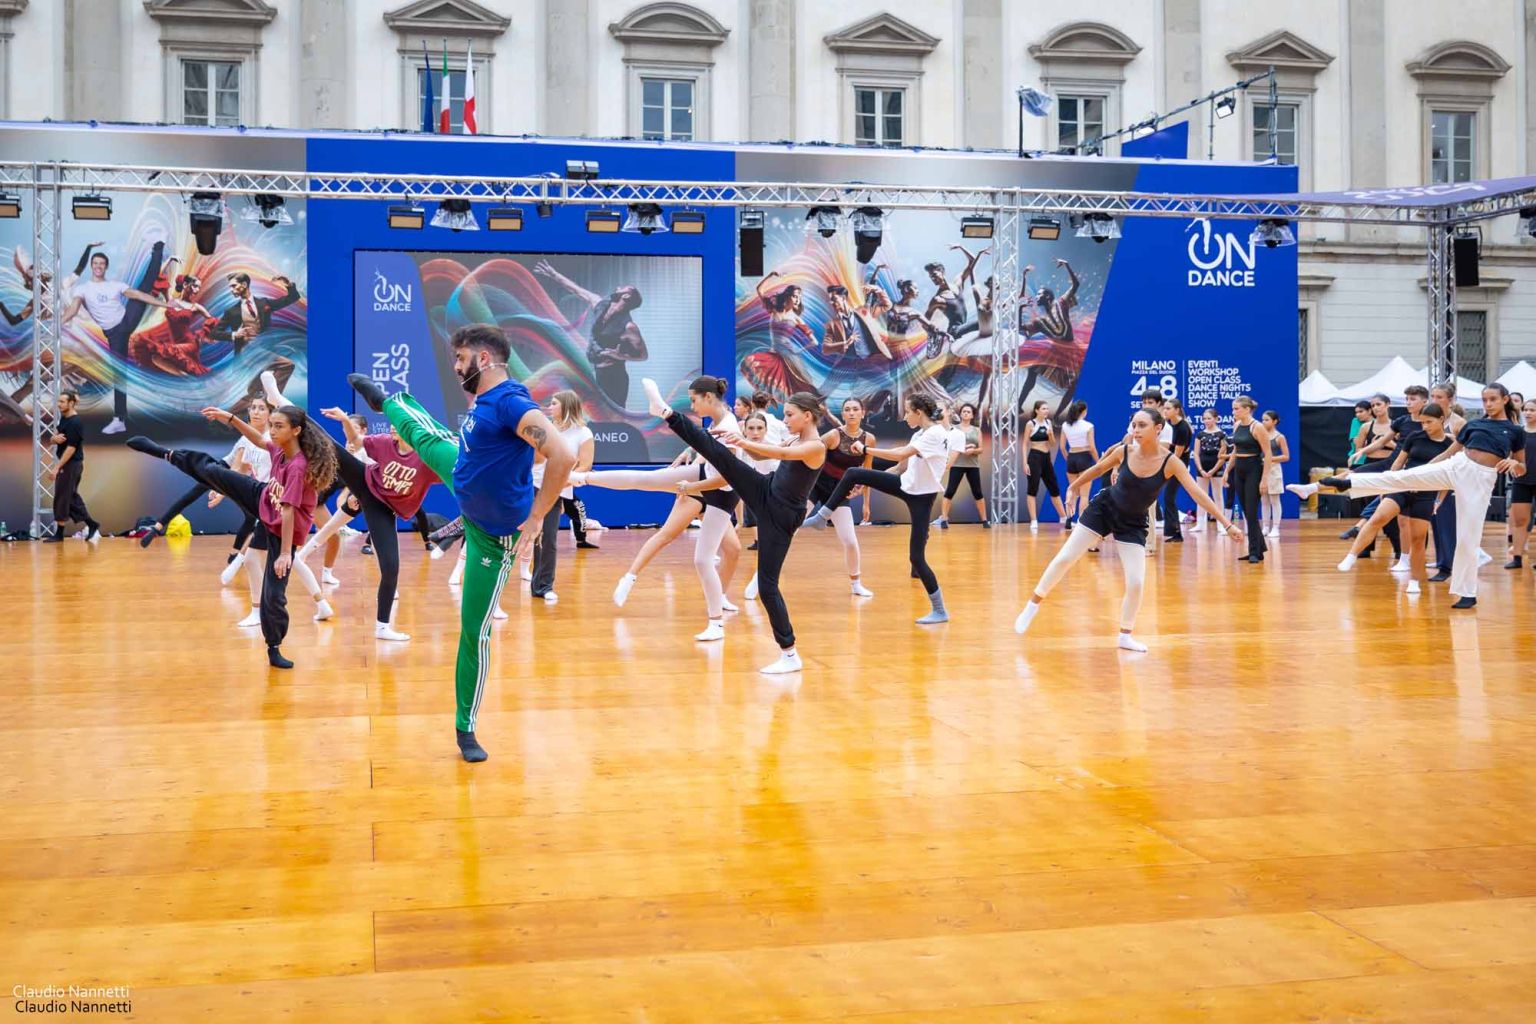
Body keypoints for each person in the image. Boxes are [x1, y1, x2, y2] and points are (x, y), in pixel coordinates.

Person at [350, 324, 573, 761]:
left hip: (493, 535)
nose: (455, 366)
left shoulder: (510, 401)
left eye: (460, 357)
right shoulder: (485, 400)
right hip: (461, 476)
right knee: (424, 435)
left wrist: (536, 518)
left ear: (483, 359)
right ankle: (386, 401)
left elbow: (562, 455)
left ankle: (465, 727)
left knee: (475, 632)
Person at [126, 404, 336, 669]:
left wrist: (285, 553)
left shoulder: (298, 467)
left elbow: (288, 511)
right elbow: (258, 439)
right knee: (216, 472)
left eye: (278, 426)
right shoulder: (280, 450)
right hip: (262, 498)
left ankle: (274, 648)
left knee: (274, 596)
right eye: (271, 425)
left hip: (282, 531)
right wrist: (230, 418)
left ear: (296, 431)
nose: (272, 431)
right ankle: (167, 454)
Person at [1016, 409, 1243, 651]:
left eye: (1142, 425)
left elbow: (1198, 494)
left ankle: (1125, 635)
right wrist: (1073, 487)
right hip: (1104, 510)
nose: (1136, 430)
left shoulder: (1170, 462)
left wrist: (1227, 524)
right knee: (1065, 558)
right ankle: (1033, 605)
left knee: (1135, 582)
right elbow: (1098, 469)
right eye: (1134, 425)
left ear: (1158, 428)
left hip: (1133, 522)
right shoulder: (1124, 451)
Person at [643, 378, 825, 675]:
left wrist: (743, 441)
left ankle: (790, 654)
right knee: (721, 457)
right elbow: (763, 454)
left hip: (781, 515)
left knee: (767, 587)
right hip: (767, 490)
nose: (785, 420)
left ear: (807, 416)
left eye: (790, 415)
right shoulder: (794, 439)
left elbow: (781, 455)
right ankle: (666, 412)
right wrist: (735, 441)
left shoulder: (815, 446)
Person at [1292, 384, 1527, 609]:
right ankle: (1336, 484)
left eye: (1493, 399)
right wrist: (1424, 471)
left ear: (1505, 400)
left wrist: (1515, 464)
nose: (1488, 404)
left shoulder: (1515, 431)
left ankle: (1467, 593)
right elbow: (1449, 452)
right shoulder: (1474, 425)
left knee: (1468, 537)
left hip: (1480, 479)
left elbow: (1522, 467)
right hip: (1457, 465)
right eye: (1485, 400)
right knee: (1400, 478)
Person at [811, 394, 952, 625]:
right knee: (854, 474)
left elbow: (900, 454)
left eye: (907, 412)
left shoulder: (935, 433)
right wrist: (866, 482)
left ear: (918, 413)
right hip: (906, 486)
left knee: (916, 558)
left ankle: (940, 610)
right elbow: (900, 467)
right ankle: (822, 516)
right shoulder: (920, 434)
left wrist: (866, 449)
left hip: (922, 497)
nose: (905, 417)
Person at [1328, 403, 1454, 594]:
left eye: (1429, 422)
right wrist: (1386, 485)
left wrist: (1439, 500)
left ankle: (1414, 581)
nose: (1425, 426)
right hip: (1401, 486)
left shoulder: (1449, 446)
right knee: (1377, 518)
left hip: (1426, 494)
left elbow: (1447, 477)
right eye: (1422, 422)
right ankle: (1351, 555)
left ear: (1441, 420)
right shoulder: (1415, 437)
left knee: (1418, 539)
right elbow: (1398, 463)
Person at [139, 396, 269, 569]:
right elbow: (238, 468)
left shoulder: (270, 439)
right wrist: (222, 490)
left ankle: (234, 556)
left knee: (251, 517)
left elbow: (244, 469)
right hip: (222, 469)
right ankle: (158, 526)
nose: (256, 412)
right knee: (192, 494)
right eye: (253, 408)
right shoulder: (248, 439)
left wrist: (224, 490)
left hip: (241, 480)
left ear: (270, 413)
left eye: (261, 408)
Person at [58, 244, 171, 433]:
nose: (98, 266)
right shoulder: (83, 289)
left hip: (126, 320)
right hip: (114, 334)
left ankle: (157, 249)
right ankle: (120, 420)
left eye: (102, 263)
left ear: (106, 266)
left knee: (144, 287)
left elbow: (138, 294)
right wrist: (58, 323)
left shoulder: (115, 285)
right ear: (92, 266)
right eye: (95, 263)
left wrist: (165, 305)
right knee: (119, 374)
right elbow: (73, 309)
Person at [800, 397, 876, 597]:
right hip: (815, 486)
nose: (851, 413)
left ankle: (856, 584)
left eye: (855, 409)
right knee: (789, 530)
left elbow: (867, 472)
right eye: (847, 409)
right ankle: (761, 578)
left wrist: (866, 504)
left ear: (863, 413)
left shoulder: (869, 439)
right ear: (842, 414)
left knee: (850, 540)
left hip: (839, 492)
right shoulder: (833, 435)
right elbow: (810, 451)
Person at [528, 390, 594, 606]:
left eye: (554, 403)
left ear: (566, 406)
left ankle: (543, 586)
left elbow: (585, 466)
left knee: (547, 537)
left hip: (556, 491)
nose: (549, 407)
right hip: (532, 485)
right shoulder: (545, 428)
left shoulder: (583, 433)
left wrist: (560, 485)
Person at [1224, 396, 1276, 563]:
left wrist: (1264, 479)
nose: (1233, 412)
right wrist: (1227, 471)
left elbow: (1268, 453)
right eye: (1233, 408)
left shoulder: (1257, 427)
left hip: (1253, 469)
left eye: (1236, 409)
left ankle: (1253, 551)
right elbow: (1235, 451)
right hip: (1239, 469)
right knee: (1247, 512)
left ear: (1247, 409)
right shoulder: (1237, 425)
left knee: (1252, 511)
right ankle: (1259, 549)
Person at [44, 390, 100, 542]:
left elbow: (71, 448)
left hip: (72, 464)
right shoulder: (65, 419)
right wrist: (54, 439)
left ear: (71, 403)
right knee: (70, 497)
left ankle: (60, 534)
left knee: (63, 496)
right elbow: (54, 436)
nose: (59, 404)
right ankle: (91, 524)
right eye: (59, 401)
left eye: (62, 402)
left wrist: (57, 467)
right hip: (68, 464)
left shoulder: (76, 423)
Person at [207, 273, 300, 354]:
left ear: (244, 284)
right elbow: (214, 333)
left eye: (234, 286)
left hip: (268, 351)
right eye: (230, 287)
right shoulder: (231, 311)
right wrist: (235, 334)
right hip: (244, 355)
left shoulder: (265, 303)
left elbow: (293, 297)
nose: (231, 290)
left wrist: (288, 284)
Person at [937, 402, 988, 527]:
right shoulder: (953, 429)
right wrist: (961, 448)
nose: (965, 413)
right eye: (964, 411)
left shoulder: (977, 430)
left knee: (978, 493)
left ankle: (984, 520)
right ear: (960, 414)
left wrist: (973, 450)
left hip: (973, 465)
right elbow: (948, 445)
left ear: (972, 415)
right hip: (957, 464)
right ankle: (944, 519)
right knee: (950, 491)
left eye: (968, 412)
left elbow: (981, 449)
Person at [1024, 400, 1067, 531]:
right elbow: (1024, 444)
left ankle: (1064, 518)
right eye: (1043, 409)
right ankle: (1033, 520)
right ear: (1037, 410)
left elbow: (1052, 444)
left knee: (1054, 488)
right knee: (1033, 488)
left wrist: (1050, 434)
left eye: (1047, 409)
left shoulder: (1048, 423)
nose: (1046, 411)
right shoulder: (1030, 424)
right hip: (1034, 457)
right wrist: (1025, 463)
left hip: (1046, 458)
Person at [1504, 399, 1536, 569]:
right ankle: (1517, 558)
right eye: (1526, 409)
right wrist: (1511, 463)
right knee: (1519, 520)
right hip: (1521, 481)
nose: (1528, 413)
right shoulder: (1518, 432)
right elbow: (1510, 454)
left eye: (1532, 410)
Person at [1059, 399, 1098, 527]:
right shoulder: (1088, 426)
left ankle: (1069, 519)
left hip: (1072, 457)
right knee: (1084, 494)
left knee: (1073, 490)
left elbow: (1062, 447)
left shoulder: (1065, 425)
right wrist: (1098, 462)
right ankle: (1082, 523)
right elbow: (1092, 447)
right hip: (1084, 457)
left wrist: (1068, 458)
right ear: (1084, 411)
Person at [1161, 398, 1194, 542]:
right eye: (1164, 408)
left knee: (1169, 497)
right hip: (1170, 464)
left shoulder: (1182, 427)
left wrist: (1166, 469)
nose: (1165, 411)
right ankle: (1173, 532)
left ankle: (1176, 533)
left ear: (1177, 410)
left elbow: (1177, 454)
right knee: (1168, 498)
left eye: (1168, 408)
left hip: (1178, 466)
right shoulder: (1168, 425)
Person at [1191, 408, 1228, 531]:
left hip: (1216, 467)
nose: (1206, 421)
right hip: (1202, 467)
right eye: (1204, 418)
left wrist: (1214, 470)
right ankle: (1200, 523)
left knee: (1218, 495)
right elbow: (1196, 453)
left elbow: (1223, 455)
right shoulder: (1200, 435)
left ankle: (1221, 524)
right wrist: (1201, 469)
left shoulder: (1222, 435)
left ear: (1216, 419)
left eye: (1209, 418)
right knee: (1202, 495)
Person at [1259, 409, 1290, 540]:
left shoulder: (1279, 437)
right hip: (1260, 469)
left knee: (1274, 499)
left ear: (1275, 421)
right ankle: (1265, 526)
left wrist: (1270, 459)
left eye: (1267, 420)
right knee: (1264, 500)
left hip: (1274, 470)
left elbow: (1286, 456)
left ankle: (1276, 527)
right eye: (1262, 420)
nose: (1263, 422)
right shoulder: (1260, 435)